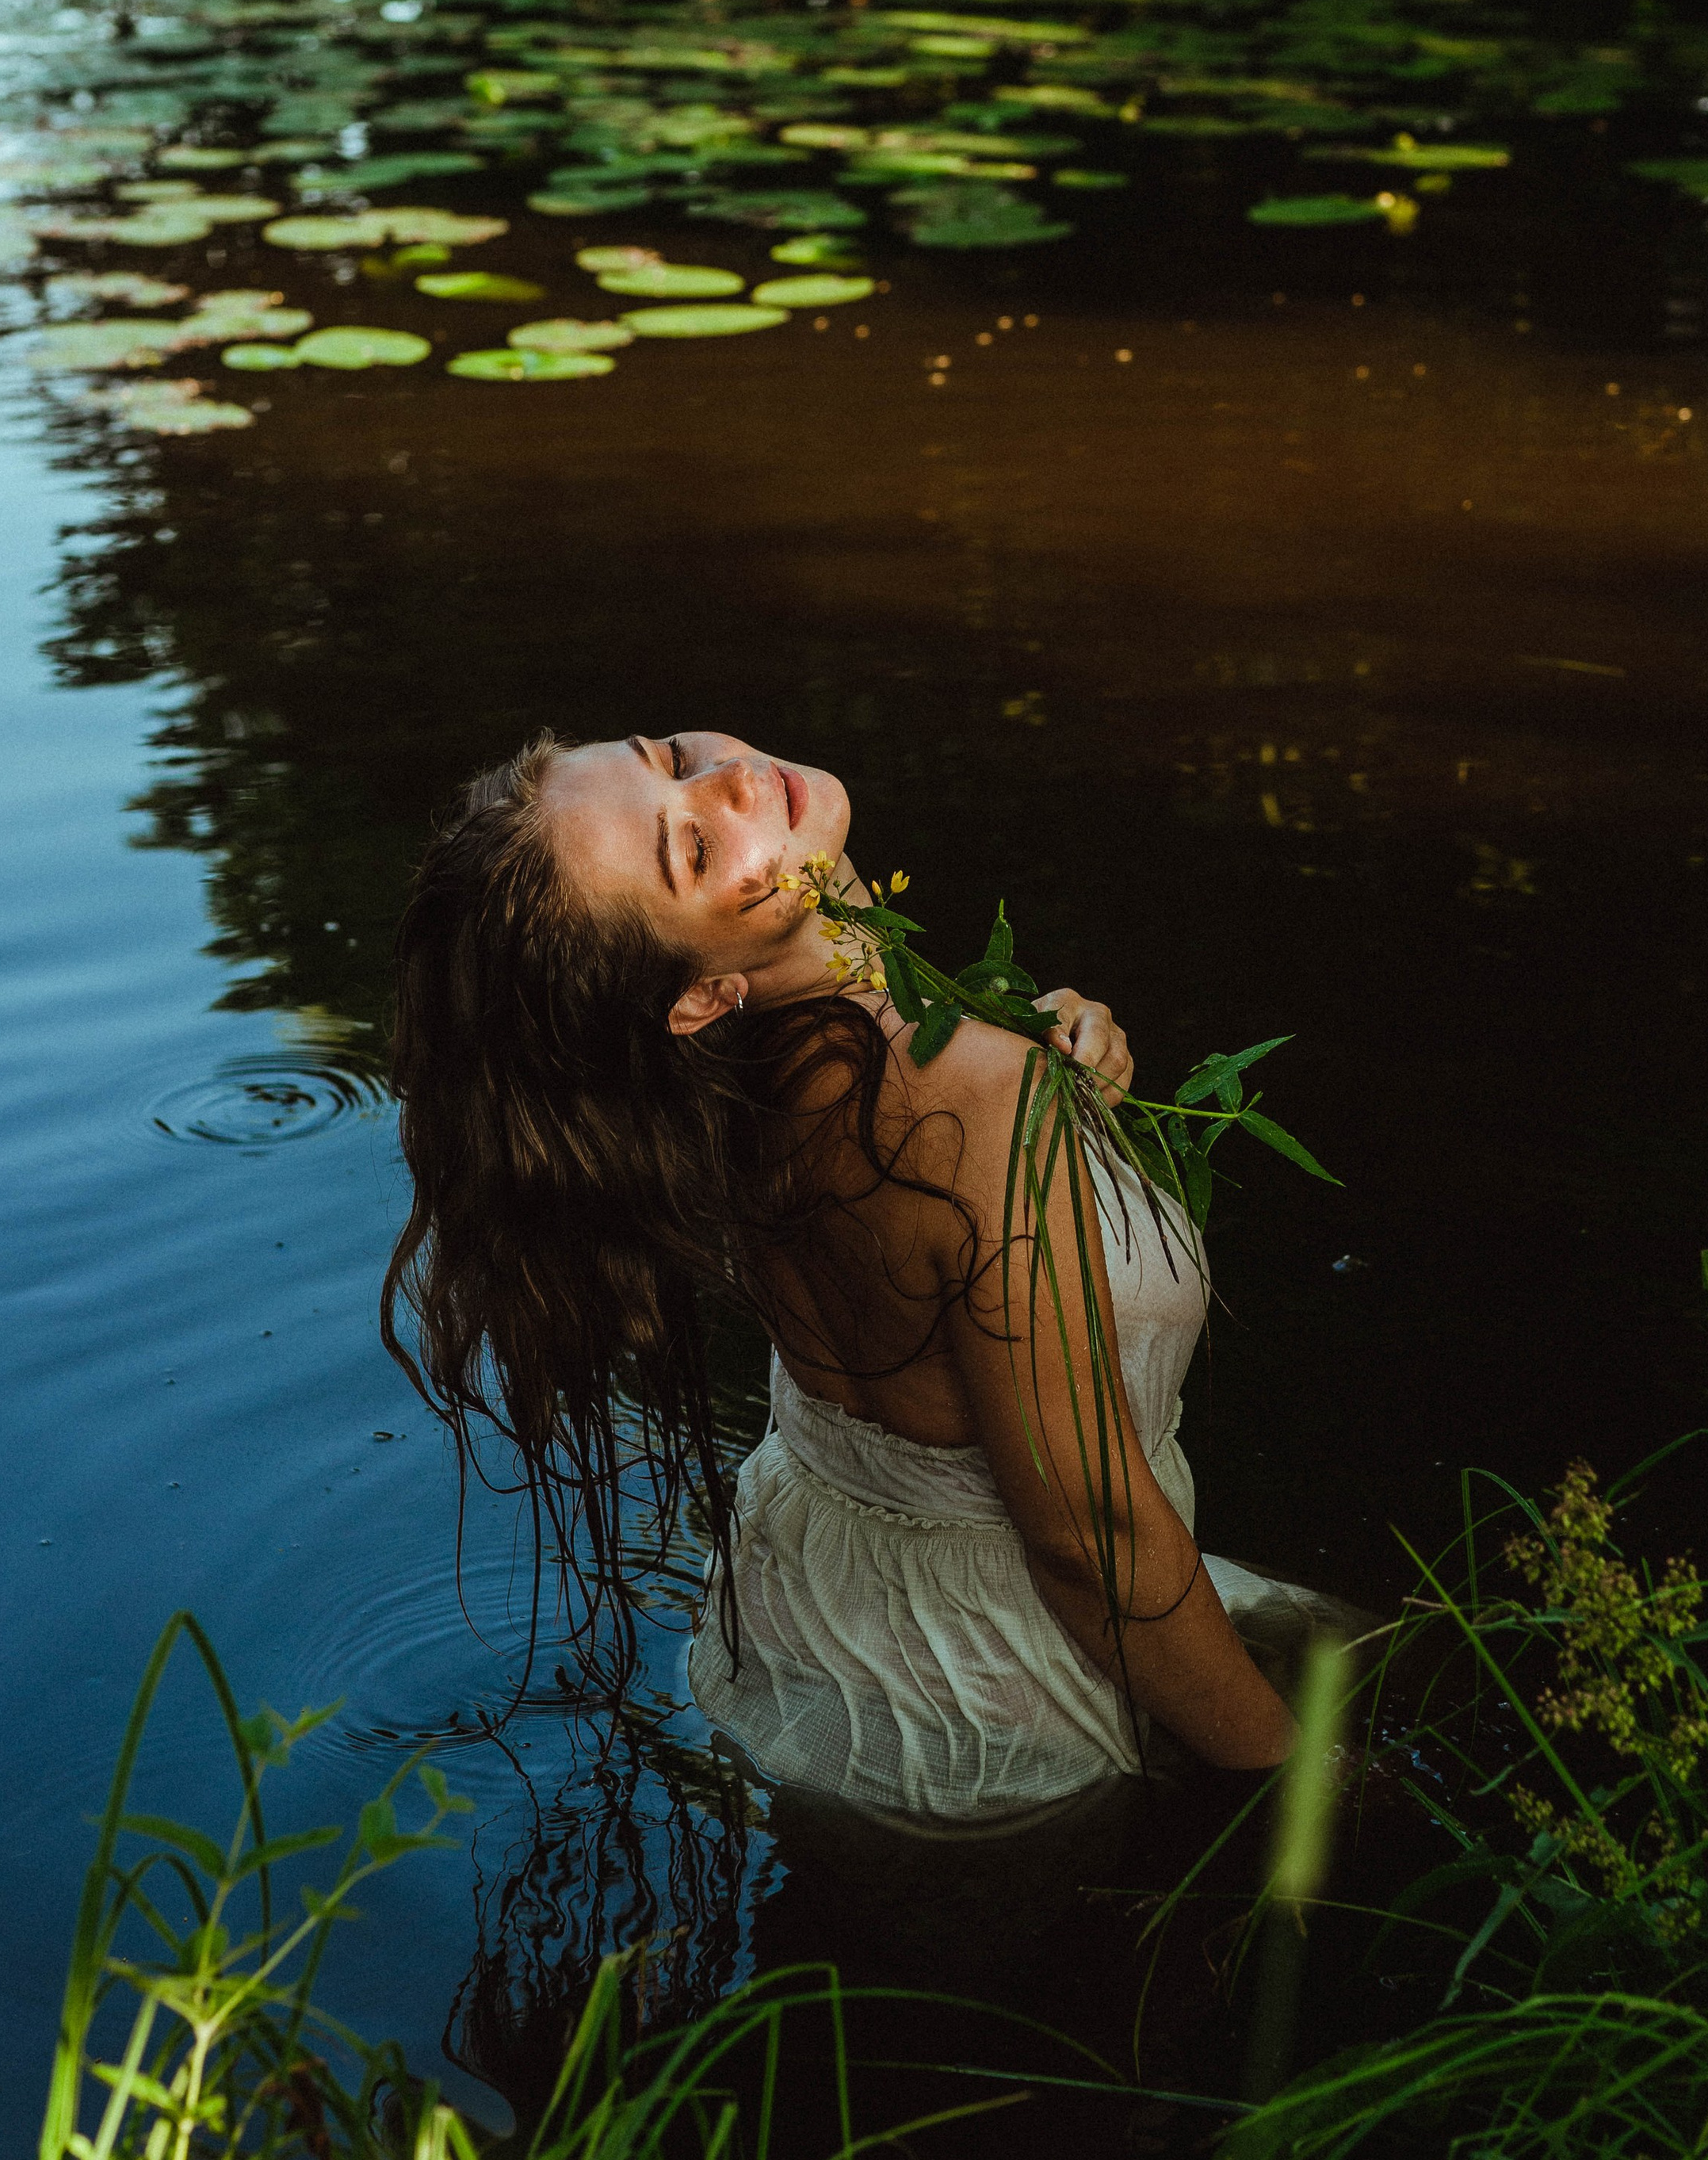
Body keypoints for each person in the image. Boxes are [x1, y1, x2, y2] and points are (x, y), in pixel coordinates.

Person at [383, 727, 1305, 1825]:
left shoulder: (728, 1087)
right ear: (700, 994)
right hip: (988, 1695)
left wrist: (1046, 1053)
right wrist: (1303, 1794)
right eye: (688, 847)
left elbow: (930, 1224)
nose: (727, 780)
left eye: (666, 756)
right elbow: (1088, 1537)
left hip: (818, 1608)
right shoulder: (974, 1099)